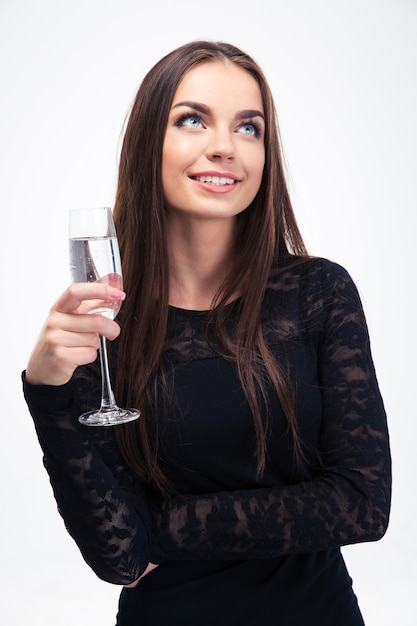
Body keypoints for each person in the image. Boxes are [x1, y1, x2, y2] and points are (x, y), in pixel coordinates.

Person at [23, 40, 391, 626]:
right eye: (192, 120)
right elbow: (118, 555)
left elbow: (363, 505)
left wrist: (164, 524)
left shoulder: (319, 292)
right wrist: (47, 393)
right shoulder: (104, 320)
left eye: (249, 128)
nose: (224, 147)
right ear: (150, 144)